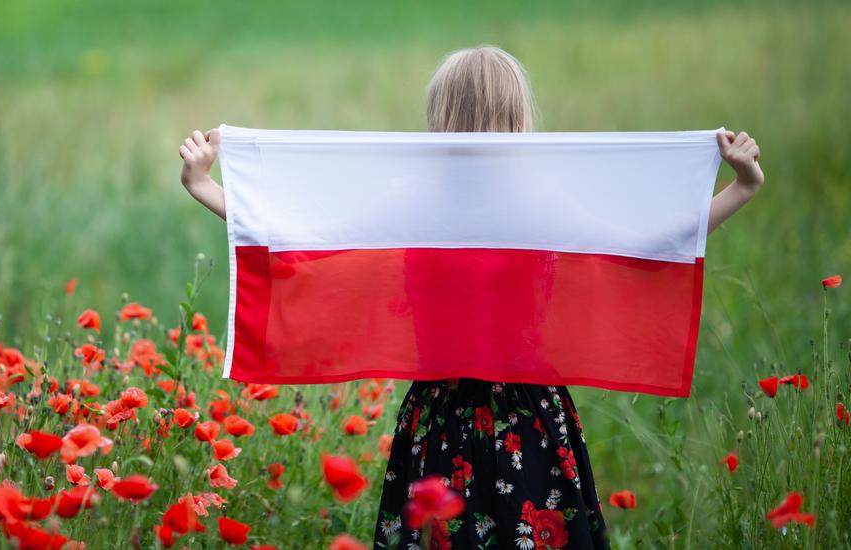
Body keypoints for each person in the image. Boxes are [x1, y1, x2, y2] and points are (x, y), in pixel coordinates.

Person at [176, 45, 762, 549]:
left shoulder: (413, 200)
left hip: (438, 424)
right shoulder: (544, 202)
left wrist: (205, 186)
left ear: (441, 116)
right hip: (532, 423)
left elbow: (305, 239)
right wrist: (742, 187)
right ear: (516, 114)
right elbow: (649, 248)